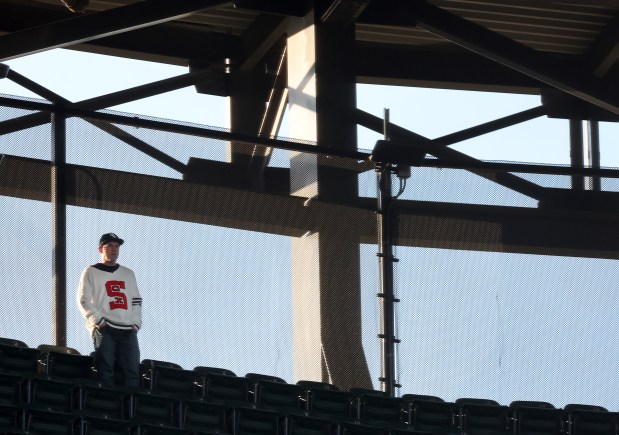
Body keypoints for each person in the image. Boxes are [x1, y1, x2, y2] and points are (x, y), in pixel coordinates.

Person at [77, 232, 143, 387]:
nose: (114, 249)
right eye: (109, 246)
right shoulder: (91, 271)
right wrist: (98, 320)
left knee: (132, 371)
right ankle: (107, 406)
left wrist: (136, 322)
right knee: (105, 371)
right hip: (105, 328)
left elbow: (136, 300)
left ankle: (130, 407)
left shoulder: (128, 273)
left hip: (128, 329)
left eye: (116, 246)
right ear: (101, 249)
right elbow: (83, 299)